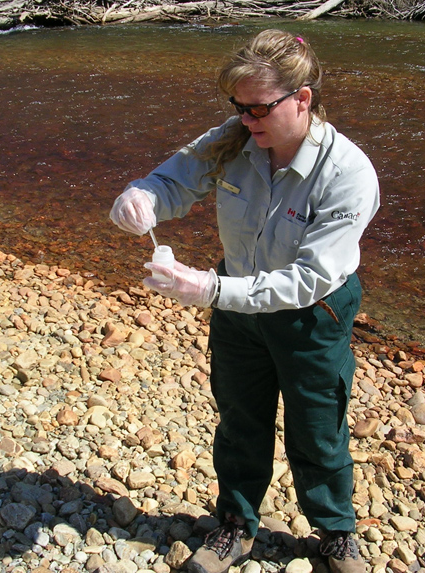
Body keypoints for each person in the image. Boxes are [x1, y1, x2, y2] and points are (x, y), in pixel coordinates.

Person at [109, 29, 379, 573]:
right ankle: (236, 526)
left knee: (318, 426)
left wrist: (205, 288)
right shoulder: (235, 137)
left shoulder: (348, 174)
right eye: (238, 106)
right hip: (238, 304)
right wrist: (141, 197)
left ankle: (334, 532)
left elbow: (309, 280)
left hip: (312, 314)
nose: (245, 119)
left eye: (258, 108)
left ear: (301, 100)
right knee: (239, 419)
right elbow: (173, 180)